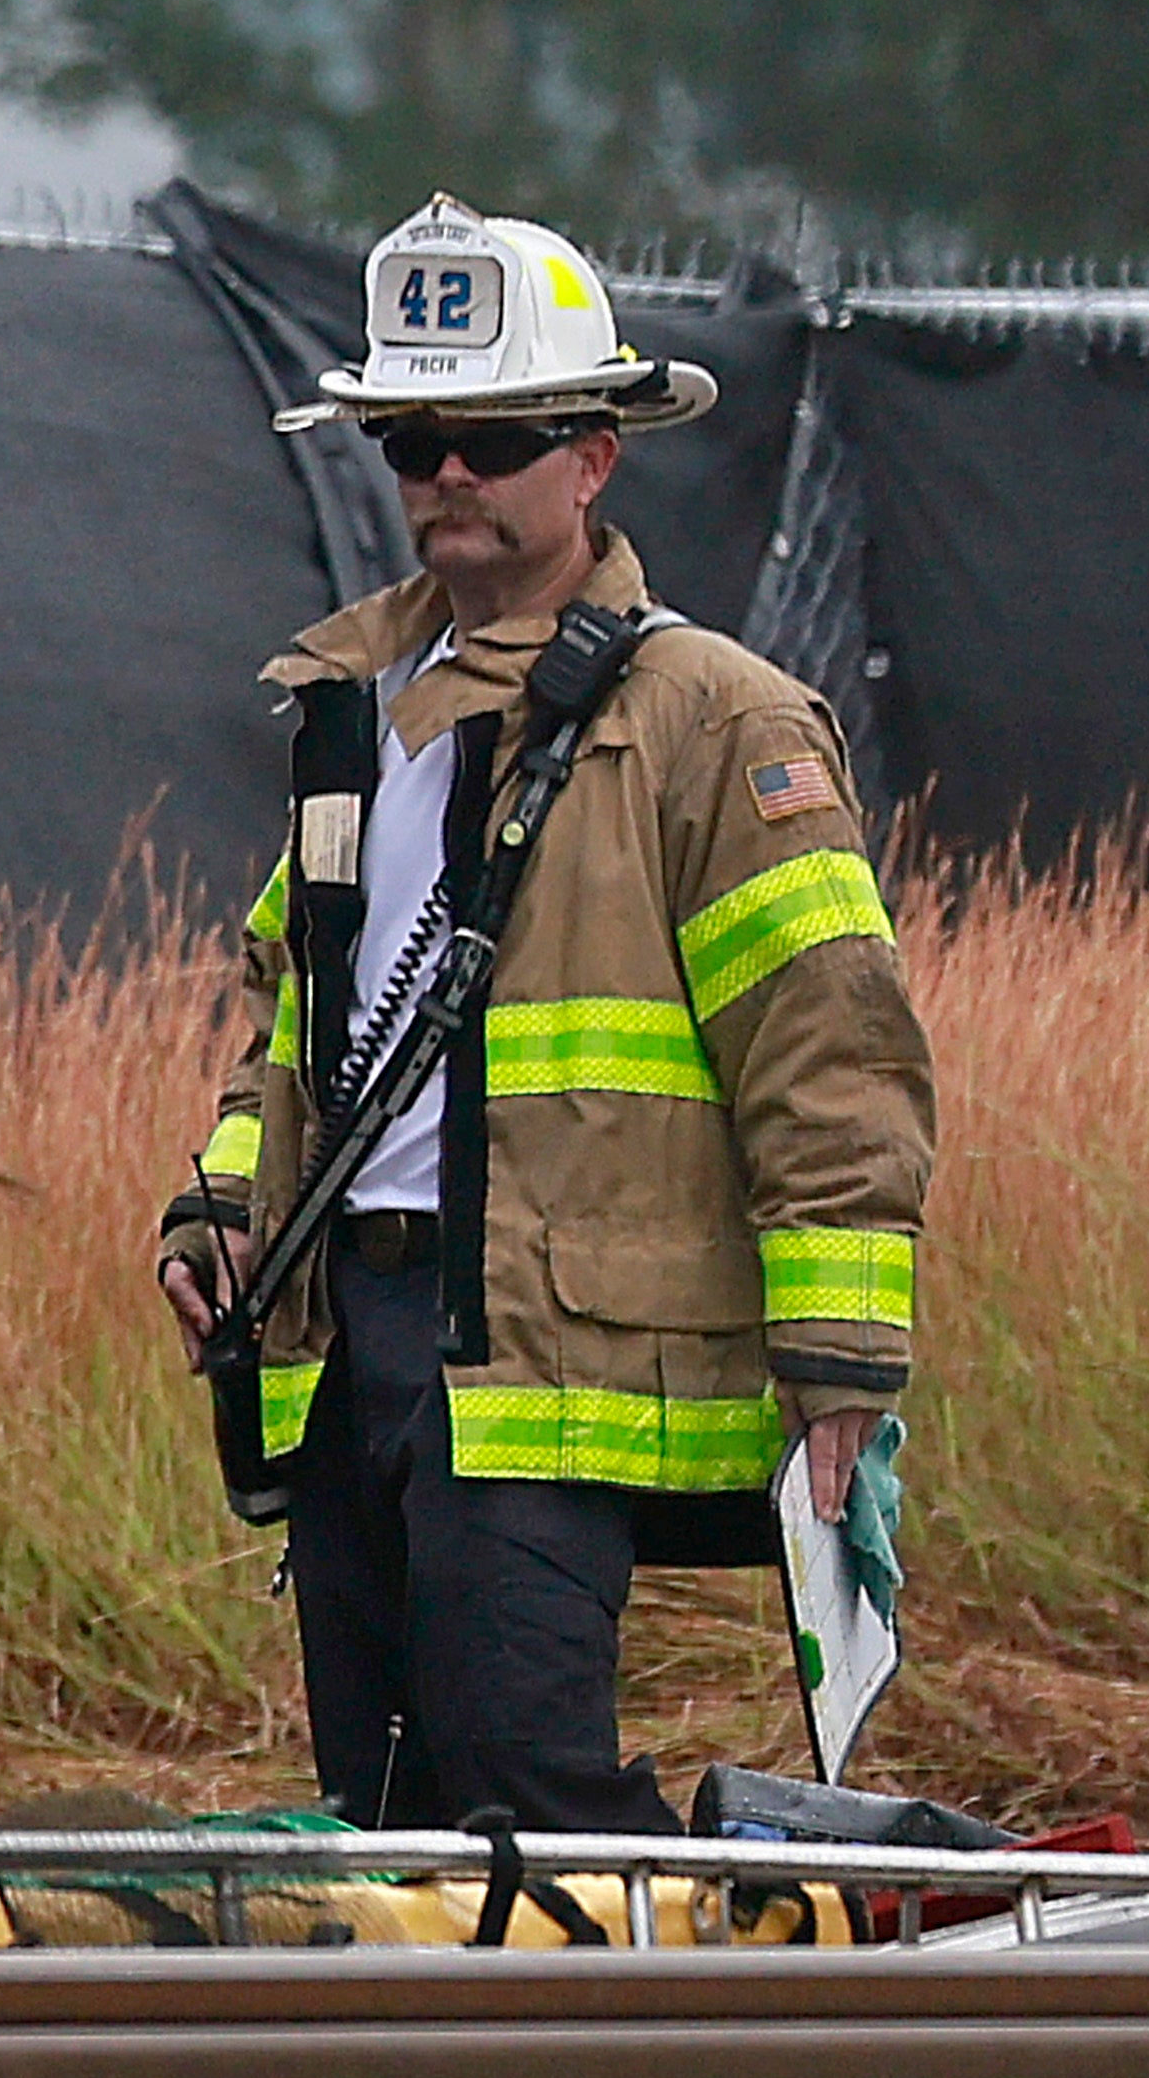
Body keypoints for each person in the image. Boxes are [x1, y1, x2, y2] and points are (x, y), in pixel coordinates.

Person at [157, 198, 933, 1832]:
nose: (445, 472)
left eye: (489, 436)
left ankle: (686, 2054)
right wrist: (225, 1205)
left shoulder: (718, 721)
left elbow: (832, 1048)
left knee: (528, 1792)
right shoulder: (348, 715)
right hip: (344, 1344)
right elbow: (290, 1031)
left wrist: (843, 1361)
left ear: (593, 455)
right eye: (415, 436)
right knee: (381, 1818)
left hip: (542, 1351)